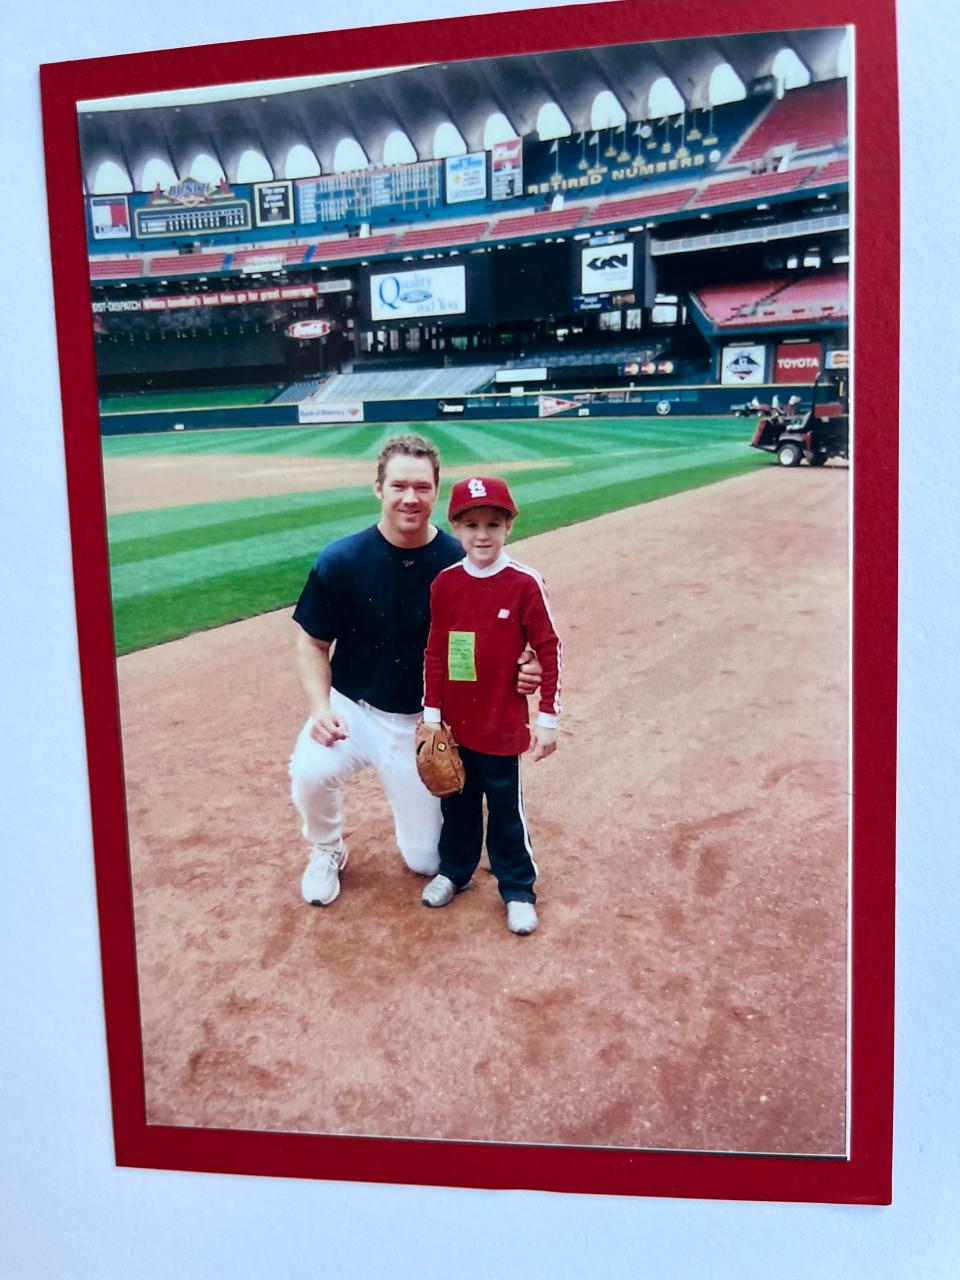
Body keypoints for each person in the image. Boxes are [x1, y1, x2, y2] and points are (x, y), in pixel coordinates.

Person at [289, 435, 540, 907]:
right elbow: (312, 641)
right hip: (352, 708)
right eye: (399, 485)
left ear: (436, 492)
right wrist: (321, 709)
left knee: (426, 860)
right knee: (309, 770)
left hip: (422, 725)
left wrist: (524, 664)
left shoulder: (460, 563)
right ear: (378, 489)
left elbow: (497, 635)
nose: (410, 497)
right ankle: (327, 850)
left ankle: (489, 842)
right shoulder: (342, 559)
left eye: (422, 487)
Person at [420, 476, 563, 936]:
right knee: (456, 803)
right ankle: (455, 871)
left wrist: (547, 718)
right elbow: (436, 651)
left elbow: (548, 647)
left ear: (509, 528)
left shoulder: (524, 582)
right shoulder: (445, 583)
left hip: (501, 724)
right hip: (456, 725)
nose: (482, 534)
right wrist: (431, 713)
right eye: (471, 524)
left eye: (493, 524)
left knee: (505, 810)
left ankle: (518, 888)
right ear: (456, 528)